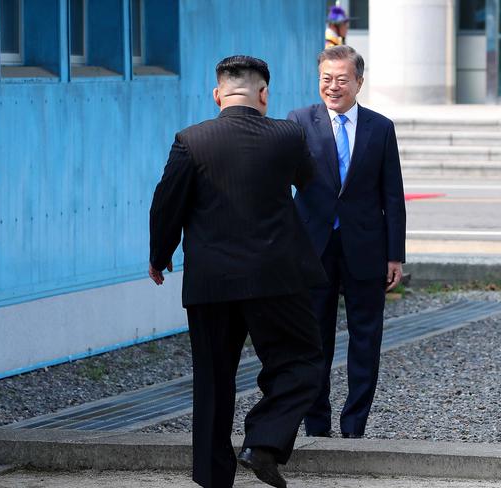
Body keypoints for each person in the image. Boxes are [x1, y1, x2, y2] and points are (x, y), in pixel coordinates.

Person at [149, 55, 326, 488]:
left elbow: (167, 200)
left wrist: (160, 254)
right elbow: (309, 181)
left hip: (211, 281)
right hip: (276, 278)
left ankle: (212, 478)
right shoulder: (288, 134)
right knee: (302, 362)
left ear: (217, 94)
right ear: (263, 93)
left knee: (212, 380)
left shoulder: (190, 140)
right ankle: (262, 442)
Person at [288, 46, 406, 439]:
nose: (333, 86)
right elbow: (280, 186)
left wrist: (395, 255)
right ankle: (316, 425)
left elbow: (392, 195)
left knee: (366, 339)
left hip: (366, 249)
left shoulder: (380, 127)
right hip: (313, 249)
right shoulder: (299, 121)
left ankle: (355, 425)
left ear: (358, 81)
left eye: (341, 79)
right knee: (313, 341)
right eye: (326, 79)